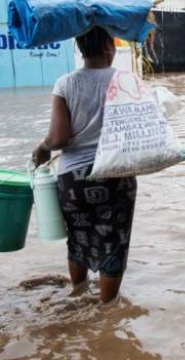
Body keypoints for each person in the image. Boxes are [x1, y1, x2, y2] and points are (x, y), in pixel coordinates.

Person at [32, 26, 137, 304]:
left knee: (78, 239)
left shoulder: (65, 84)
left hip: (73, 180)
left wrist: (41, 149)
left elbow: (58, 138)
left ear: (80, 49)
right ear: (109, 47)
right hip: (115, 174)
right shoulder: (125, 80)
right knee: (114, 244)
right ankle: (107, 311)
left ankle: (77, 294)